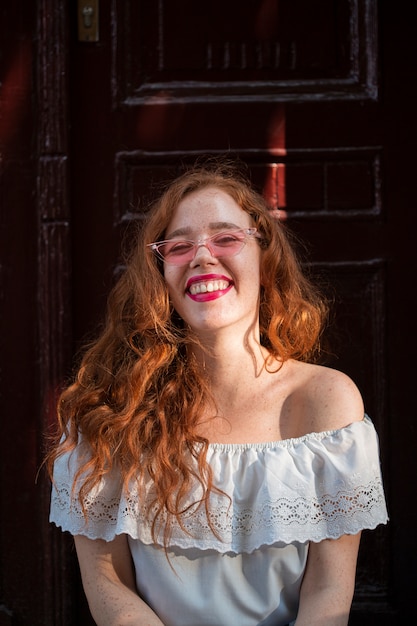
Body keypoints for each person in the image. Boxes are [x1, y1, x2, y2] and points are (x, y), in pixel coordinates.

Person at [48, 159, 388, 626]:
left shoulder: (325, 401)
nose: (203, 256)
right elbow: (108, 583)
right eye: (180, 245)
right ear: (160, 274)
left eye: (226, 238)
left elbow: (329, 592)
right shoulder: (110, 408)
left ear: (265, 260)